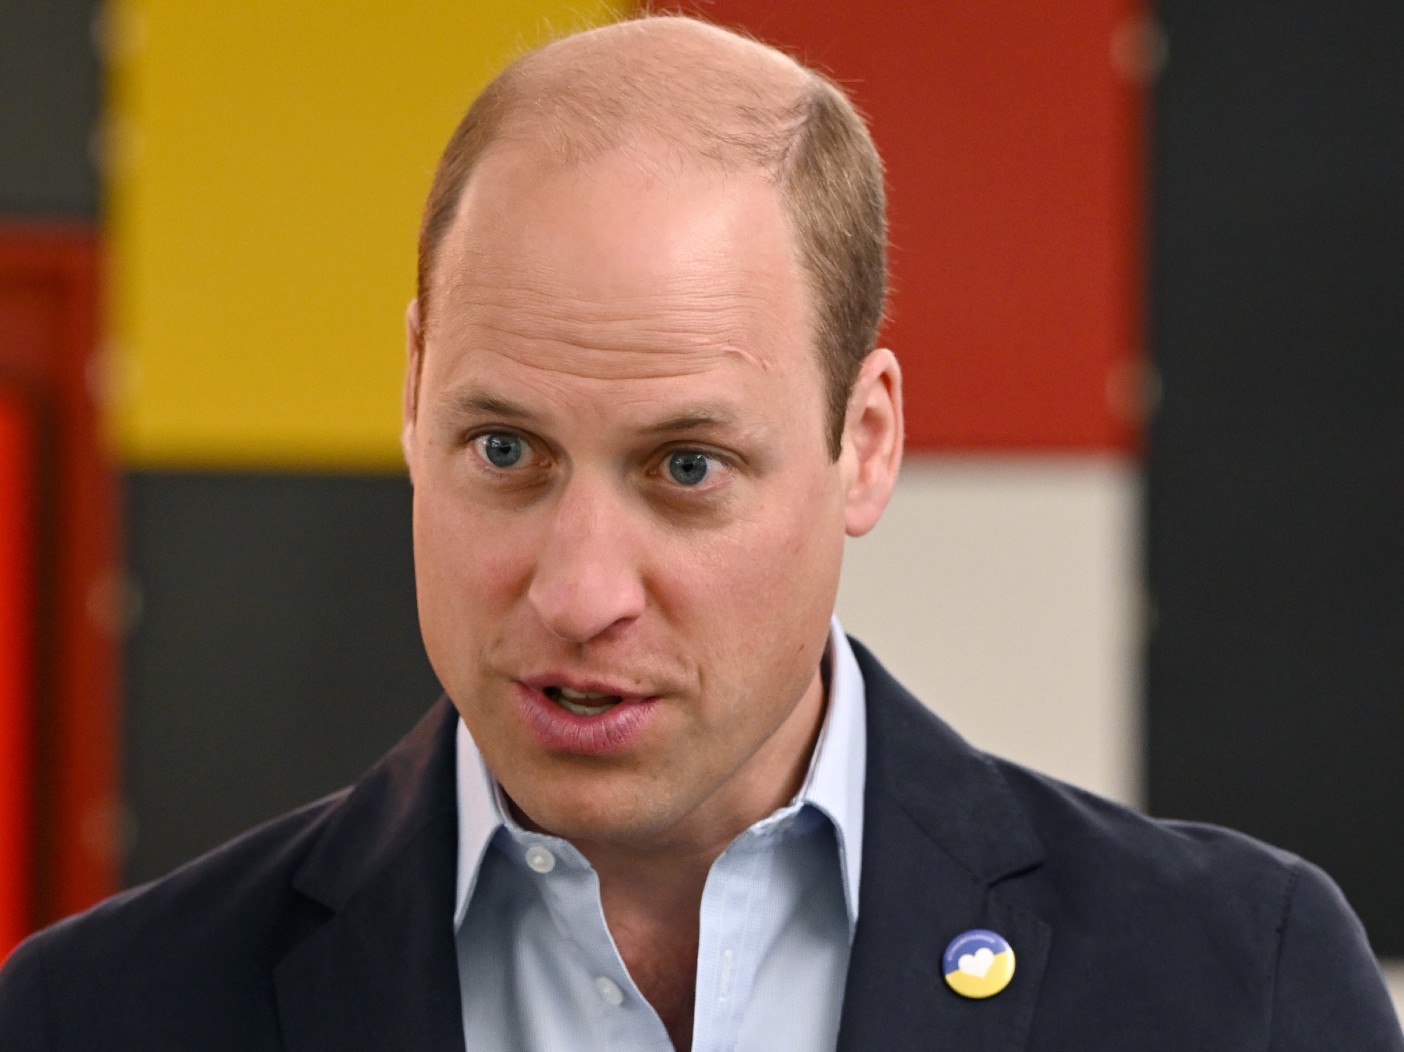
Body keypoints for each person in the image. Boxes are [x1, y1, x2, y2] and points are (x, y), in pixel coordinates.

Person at [1, 14, 1399, 1051]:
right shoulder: (96, 1020)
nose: (580, 589)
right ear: (414, 397)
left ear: (867, 444)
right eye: (506, 451)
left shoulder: (1241, 991)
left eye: (685, 465)